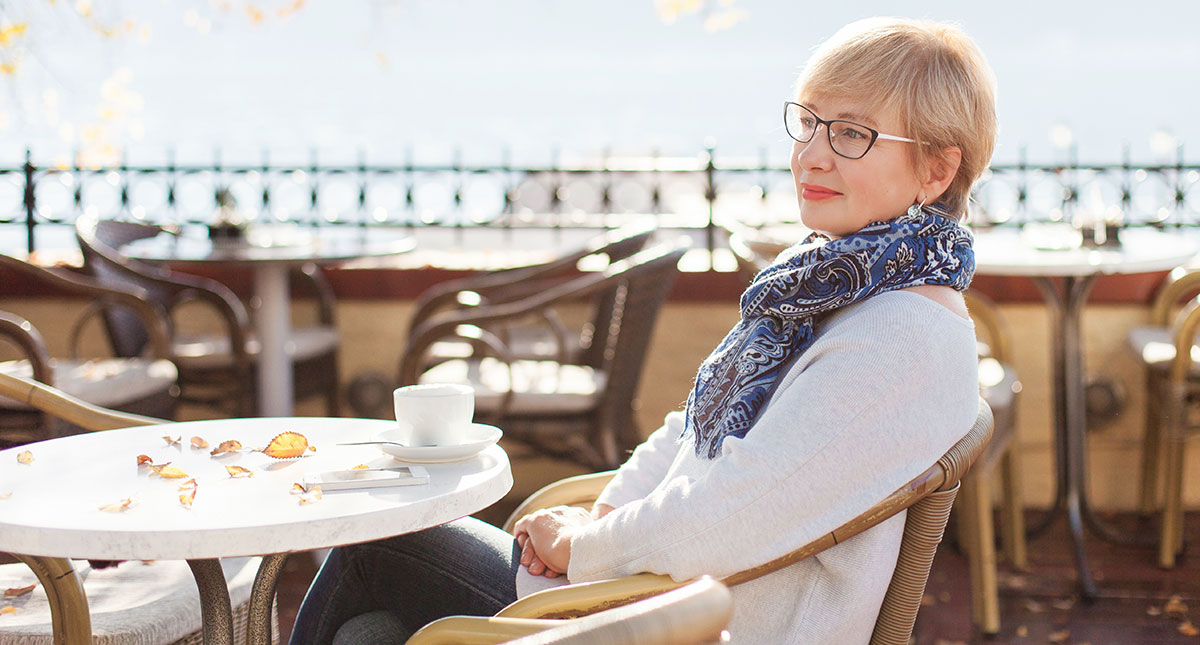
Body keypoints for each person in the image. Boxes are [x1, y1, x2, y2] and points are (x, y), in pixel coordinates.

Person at [289, 16, 997, 644]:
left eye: (851, 133)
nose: (812, 153)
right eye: (809, 121)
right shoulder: (828, 284)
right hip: (648, 590)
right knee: (370, 631)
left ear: (936, 169)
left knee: (373, 546)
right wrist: (602, 515)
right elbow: (693, 429)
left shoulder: (903, 335)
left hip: (689, 620)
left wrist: (585, 545)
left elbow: (732, 515)